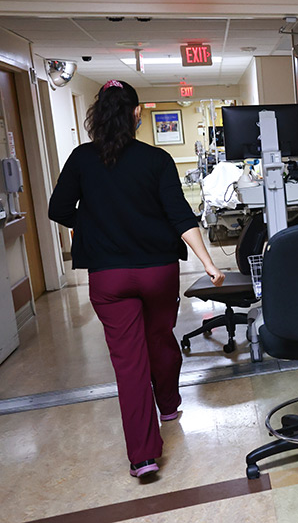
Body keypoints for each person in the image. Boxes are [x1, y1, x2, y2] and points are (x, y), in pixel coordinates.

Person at [48, 80, 225, 479]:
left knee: (129, 362)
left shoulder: (80, 159)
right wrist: (209, 263)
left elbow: (57, 208)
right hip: (157, 271)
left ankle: (144, 456)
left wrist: (90, 225)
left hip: (109, 278)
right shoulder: (156, 160)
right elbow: (181, 216)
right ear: (136, 114)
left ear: (96, 115)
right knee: (159, 337)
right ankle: (169, 404)